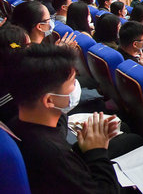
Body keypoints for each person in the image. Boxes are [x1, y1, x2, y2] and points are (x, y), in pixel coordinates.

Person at [7, 44, 121, 194]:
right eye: (72, 83)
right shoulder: (53, 155)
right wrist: (97, 152)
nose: (76, 87)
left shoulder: (15, 124)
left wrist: (84, 147)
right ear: (49, 100)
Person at [10, 1, 76, 47]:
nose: (51, 22)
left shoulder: (15, 45)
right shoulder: (34, 58)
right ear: (40, 26)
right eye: (48, 19)